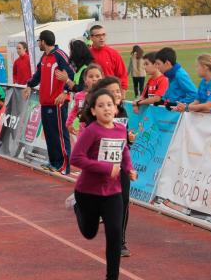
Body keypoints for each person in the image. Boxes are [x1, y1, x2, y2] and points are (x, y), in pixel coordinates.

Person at [69, 88, 137, 280]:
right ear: (93, 111)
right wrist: (105, 168)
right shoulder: (91, 131)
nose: (106, 108)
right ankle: (77, 208)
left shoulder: (121, 129)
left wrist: (129, 169)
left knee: (114, 234)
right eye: (101, 105)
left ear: (116, 109)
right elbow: (76, 158)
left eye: (110, 104)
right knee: (89, 233)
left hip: (112, 191)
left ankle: (112, 277)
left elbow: (124, 153)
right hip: (88, 192)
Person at [23, 30, 75, 174]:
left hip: (57, 103)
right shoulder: (44, 57)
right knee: (50, 134)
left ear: (44, 41)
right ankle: (54, 162)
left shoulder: (60, 55)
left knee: (60, 134)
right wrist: (29, 85)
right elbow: (38, 75)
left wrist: (65, 92)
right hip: (45, 103)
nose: (38, 43)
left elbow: (71, 74)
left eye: (39, 41)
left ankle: (64, 165)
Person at [96, 77, 136, 257]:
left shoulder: (123, 111)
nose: (117, 94)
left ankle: (120, 241)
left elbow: (124, 142)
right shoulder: (99, 113)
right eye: (112, 91)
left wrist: (130, 139)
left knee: (124, 201)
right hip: (104, 167)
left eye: (118, 91)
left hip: (121, 166)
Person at [66, 63, 103, 141]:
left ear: (102, 78)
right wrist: (69, 123)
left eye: (97, 76)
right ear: (85, 80)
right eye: (91, 76)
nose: (94, 79)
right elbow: (75, 110)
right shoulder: (79, 96)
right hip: (83, 133)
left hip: (99, 134)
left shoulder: (105, 96)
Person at [88, 25, 128, 93]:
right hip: (93, 94)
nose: (101, 38)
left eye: (103, 35)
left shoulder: (113, 53)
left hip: (111, 94)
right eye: (98, 35)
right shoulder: (87, 54)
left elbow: (122, 75)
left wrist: (123, 92)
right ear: (91, 38)